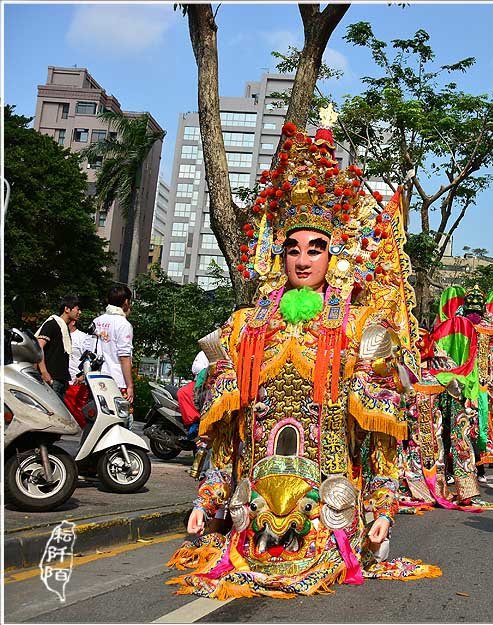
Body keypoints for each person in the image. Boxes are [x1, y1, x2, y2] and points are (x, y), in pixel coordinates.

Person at [167, 110, 439, 599]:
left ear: (333, 256)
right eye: (293, 248)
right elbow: (223, 432)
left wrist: (380, 508)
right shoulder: (246, 325)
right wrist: (207, 500)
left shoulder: (359, 327)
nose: (303, 258)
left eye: (316, 249)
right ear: (280, 254)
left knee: (328, 545)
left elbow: (379, 434)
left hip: (327, 495)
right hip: (255, 498)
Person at [89, 285, 134, 405]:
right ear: (125, 302)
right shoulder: (123, 324)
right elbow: (124, 357)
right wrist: (130, 386)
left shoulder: (97, 321)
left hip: (94, 380)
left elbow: (89, 350)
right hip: (116, 381)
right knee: (121, 419)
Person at [36, 295, 82, 398]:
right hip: (51, 379)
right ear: (66, 309)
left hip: (61, 380)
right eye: (77, 309)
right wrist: (44, 371)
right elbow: (39, 346)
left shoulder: (64, 329)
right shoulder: (52, 324)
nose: (80, 313)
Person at [177, 351, 209, 429]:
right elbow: (196, 369)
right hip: (204, 379)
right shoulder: (204, 353)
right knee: (183, 392)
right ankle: (194, 423)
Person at [67, 318, 89, 383]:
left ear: (73, 322)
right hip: (61, 379)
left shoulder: (83, 337)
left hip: (77, 381)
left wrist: (83, 376)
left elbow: (88, 359)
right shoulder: (59, 336)